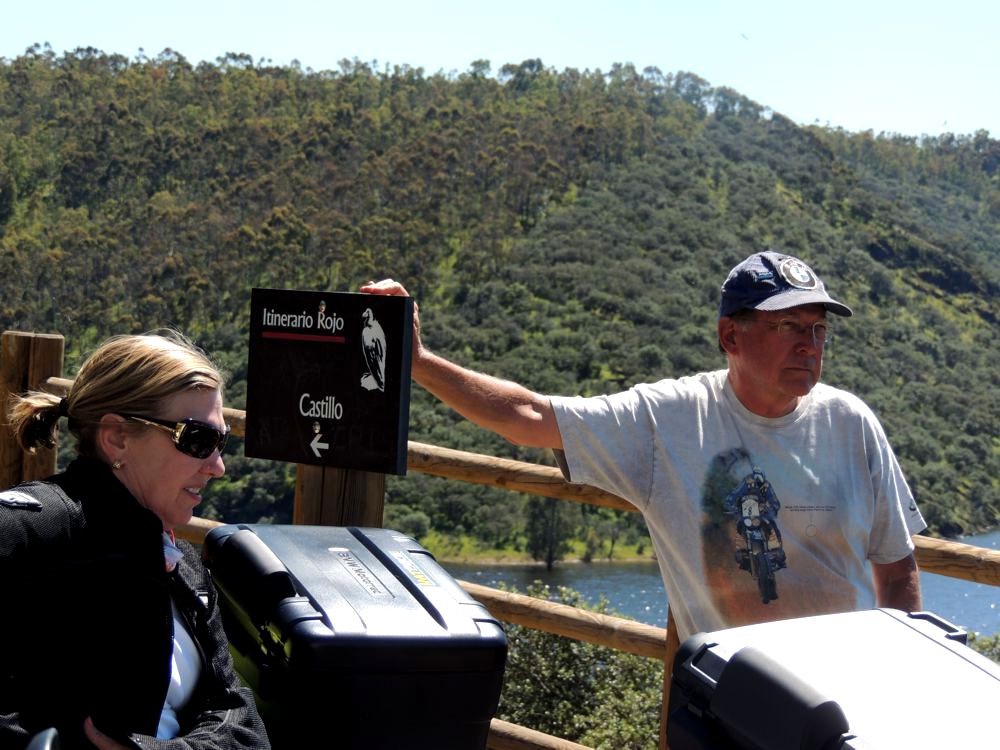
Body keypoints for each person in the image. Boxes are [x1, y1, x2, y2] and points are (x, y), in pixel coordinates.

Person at [361, 251, 926, 640]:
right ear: (730, 335)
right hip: (738, 697)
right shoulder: (669, 420)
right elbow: (530, 416)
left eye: (818, 329)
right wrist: (419, 362)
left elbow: (897, 567)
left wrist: (901, 673)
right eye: (788, 326)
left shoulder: (852, 422)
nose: (809, 344)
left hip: (845, 693)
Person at [0, 331, 270, 750]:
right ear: (116, 438)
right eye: (197, 440)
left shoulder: (184, 568)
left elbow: (241, 721)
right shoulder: (22, 533)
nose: (217, 466)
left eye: (221, 442)